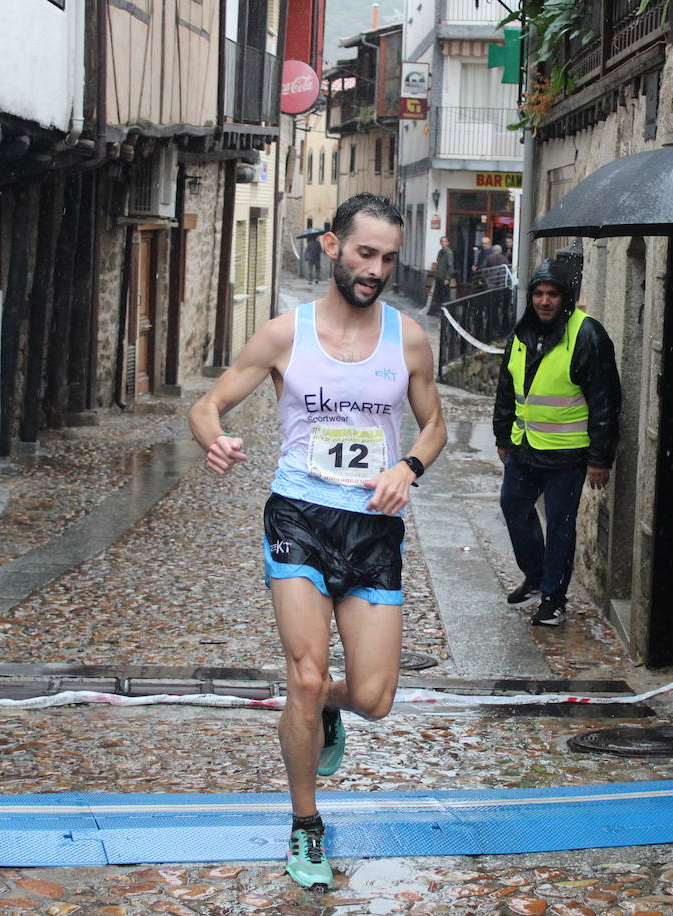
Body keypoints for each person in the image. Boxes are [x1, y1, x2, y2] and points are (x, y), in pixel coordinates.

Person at [188, 193, 446, 890]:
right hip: (299, 515)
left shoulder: (409, 339)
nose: (376, 269)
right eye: (365, 253)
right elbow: (208, 405)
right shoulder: (283, 335)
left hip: (372, 529)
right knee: (302, 675)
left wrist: (407, 466)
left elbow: (434, 427)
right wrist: (215, 441)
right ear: (333, 246)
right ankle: (306, 826)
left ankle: (330, 709)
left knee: (374, 696)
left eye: (389, 258)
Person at [494, 259, 620, 626]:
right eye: (538, 293)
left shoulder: (587, 335)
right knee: (513, 506)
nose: (544, 301)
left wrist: (600, 458)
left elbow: (605, 401)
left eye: (552, 294)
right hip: (525, 446)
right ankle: (535, 575)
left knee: (561, 526)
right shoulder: (522, 334)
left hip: (568, 454)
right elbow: (507, 388)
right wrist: (503, 435)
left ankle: (553, 598)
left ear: (565, 298)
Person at [429, 235, 454, 315]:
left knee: (445, 296)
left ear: (448, 243)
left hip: (444, 278)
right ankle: (439, 311)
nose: (444, 243)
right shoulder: (440, 252)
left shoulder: (449, 253)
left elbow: (450, 266)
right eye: (442, 241)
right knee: (439, 295)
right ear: (440, 243)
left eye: (445, 241)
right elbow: (438, 264)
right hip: (439, 277)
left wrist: (447, 278)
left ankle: (445, 312)